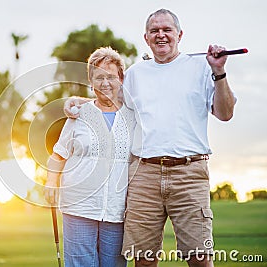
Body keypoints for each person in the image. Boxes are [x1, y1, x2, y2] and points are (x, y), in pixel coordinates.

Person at [65, 9, 236, 267]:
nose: (161, 35)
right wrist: (78, 102)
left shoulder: (203, 67)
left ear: (179, 34)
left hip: (189, 173)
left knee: (200, 257)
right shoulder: (135, 74)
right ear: (146, 38)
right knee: (144, 261)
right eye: (154, 31)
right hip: (144, 174)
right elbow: (110, 100)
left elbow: (225, 113)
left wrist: (219, 72)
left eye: (167, 29)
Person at [44, 46, 135, 267]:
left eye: (111, 77)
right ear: (91, 82)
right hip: (78, 206)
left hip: (117, 210)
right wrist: (50, 181)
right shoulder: (78, 115)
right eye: (99, 77)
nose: (105, 83)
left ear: (121, 80)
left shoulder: (133, 117)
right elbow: (58, 155)